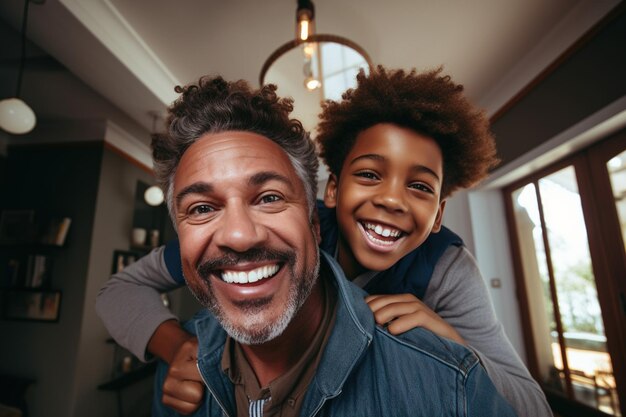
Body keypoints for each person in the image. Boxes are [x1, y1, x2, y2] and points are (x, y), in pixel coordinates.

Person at [97, 68, 551, 416]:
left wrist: (455, 348)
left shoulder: (449, 269)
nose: (391, 199)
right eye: (370, 175)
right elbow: (120, 290)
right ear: (330, 194)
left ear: (438, 216)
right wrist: (176, 346)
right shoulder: (269, 230)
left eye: (420, 187)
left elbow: (531, 405)